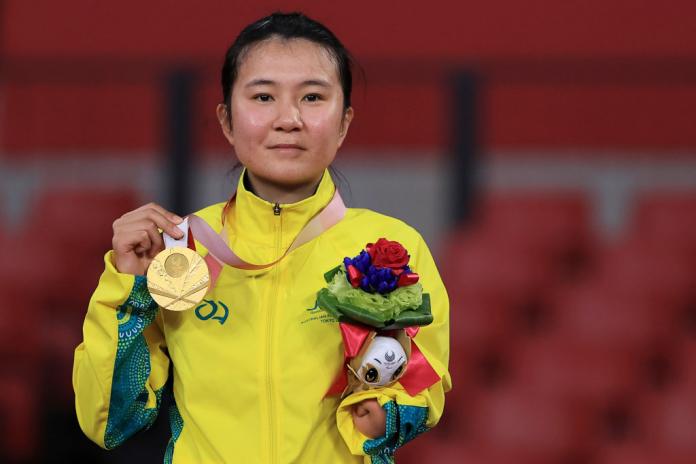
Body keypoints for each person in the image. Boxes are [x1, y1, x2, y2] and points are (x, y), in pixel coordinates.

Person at [73, 11, 451, 464]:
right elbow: (109, 421)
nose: (288, 118)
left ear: (344, 122)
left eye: (312, 97)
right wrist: (127, 286)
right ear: (227, 121)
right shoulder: (180, 248)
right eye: (263, 96)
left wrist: (380, 414)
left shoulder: (389, 250)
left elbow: (422, 390)